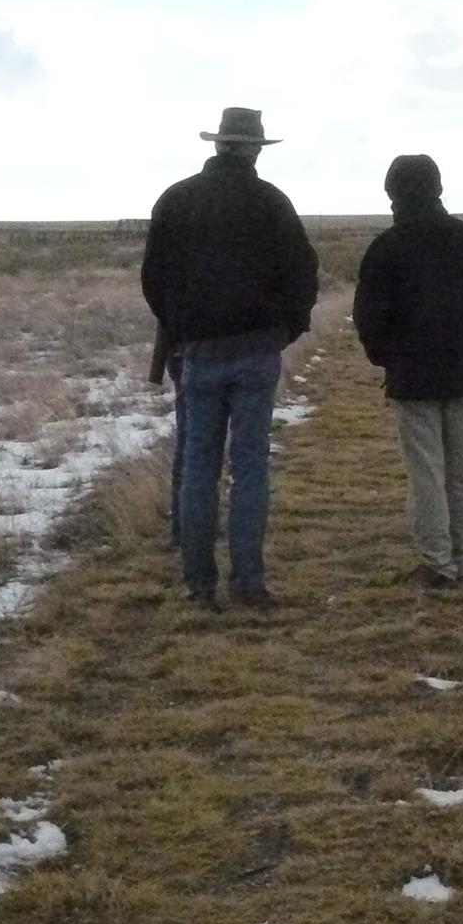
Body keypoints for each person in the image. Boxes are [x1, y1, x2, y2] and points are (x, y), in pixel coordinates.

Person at [142, 108, 318, 609]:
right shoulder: (271, 202)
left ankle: (198, 585)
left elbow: (154, 278)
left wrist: (180, 326)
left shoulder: (176, 200)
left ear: (218, 145)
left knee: (198, 466)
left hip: (195, 353)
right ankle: (248, 583)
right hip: (257, 351)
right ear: (256, 149)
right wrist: (286, 330)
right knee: (249, 468)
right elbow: (304, 273)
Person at [353, 154, 463, 587]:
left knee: (427, 473)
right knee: (462, 472)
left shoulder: (387, 247)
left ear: (393, 193)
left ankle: (438, 563)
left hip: (412, 377)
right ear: (438, 188)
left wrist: (385, 358)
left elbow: (368, 316)